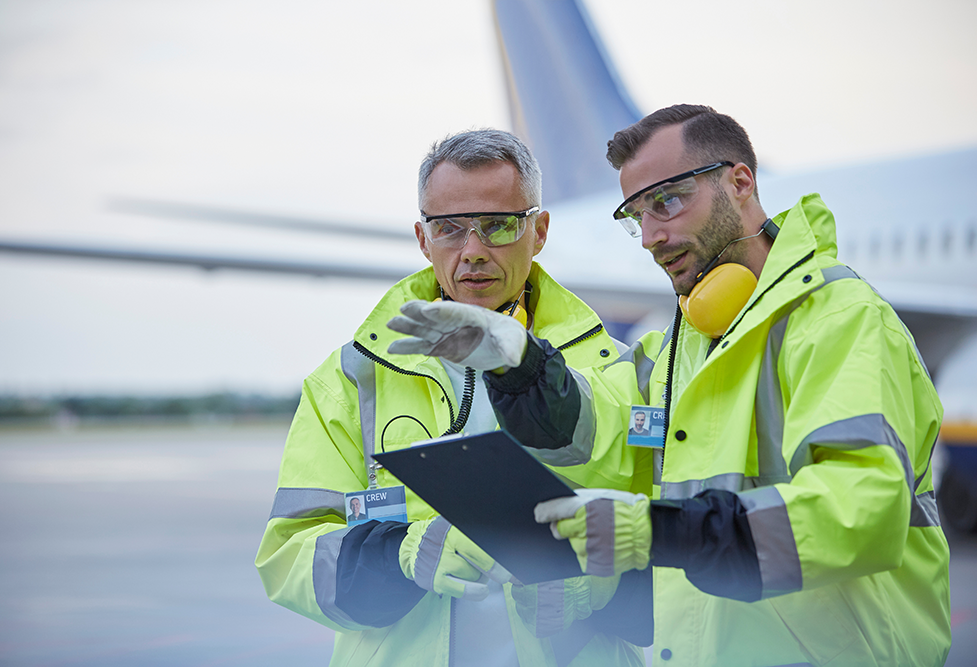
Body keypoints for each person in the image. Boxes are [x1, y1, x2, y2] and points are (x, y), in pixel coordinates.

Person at [388, 106, 952, 665]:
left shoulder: (838, 321)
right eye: (637, 214)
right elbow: (597, 432)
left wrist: (657, 531)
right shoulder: (684, 347)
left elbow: (861, 513)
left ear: (740, 182)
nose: (650, 237)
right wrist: (519, 362)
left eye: (668, 201)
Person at [255, 129, 649, 667]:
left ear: (539, 231)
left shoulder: (618, 372)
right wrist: (400, 558)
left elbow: (681, 541)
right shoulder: (352, 378)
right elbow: (288, 558)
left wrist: (600, 590)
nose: (473, 252)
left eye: (498, 226)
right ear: (422, 238)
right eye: (449, 229)